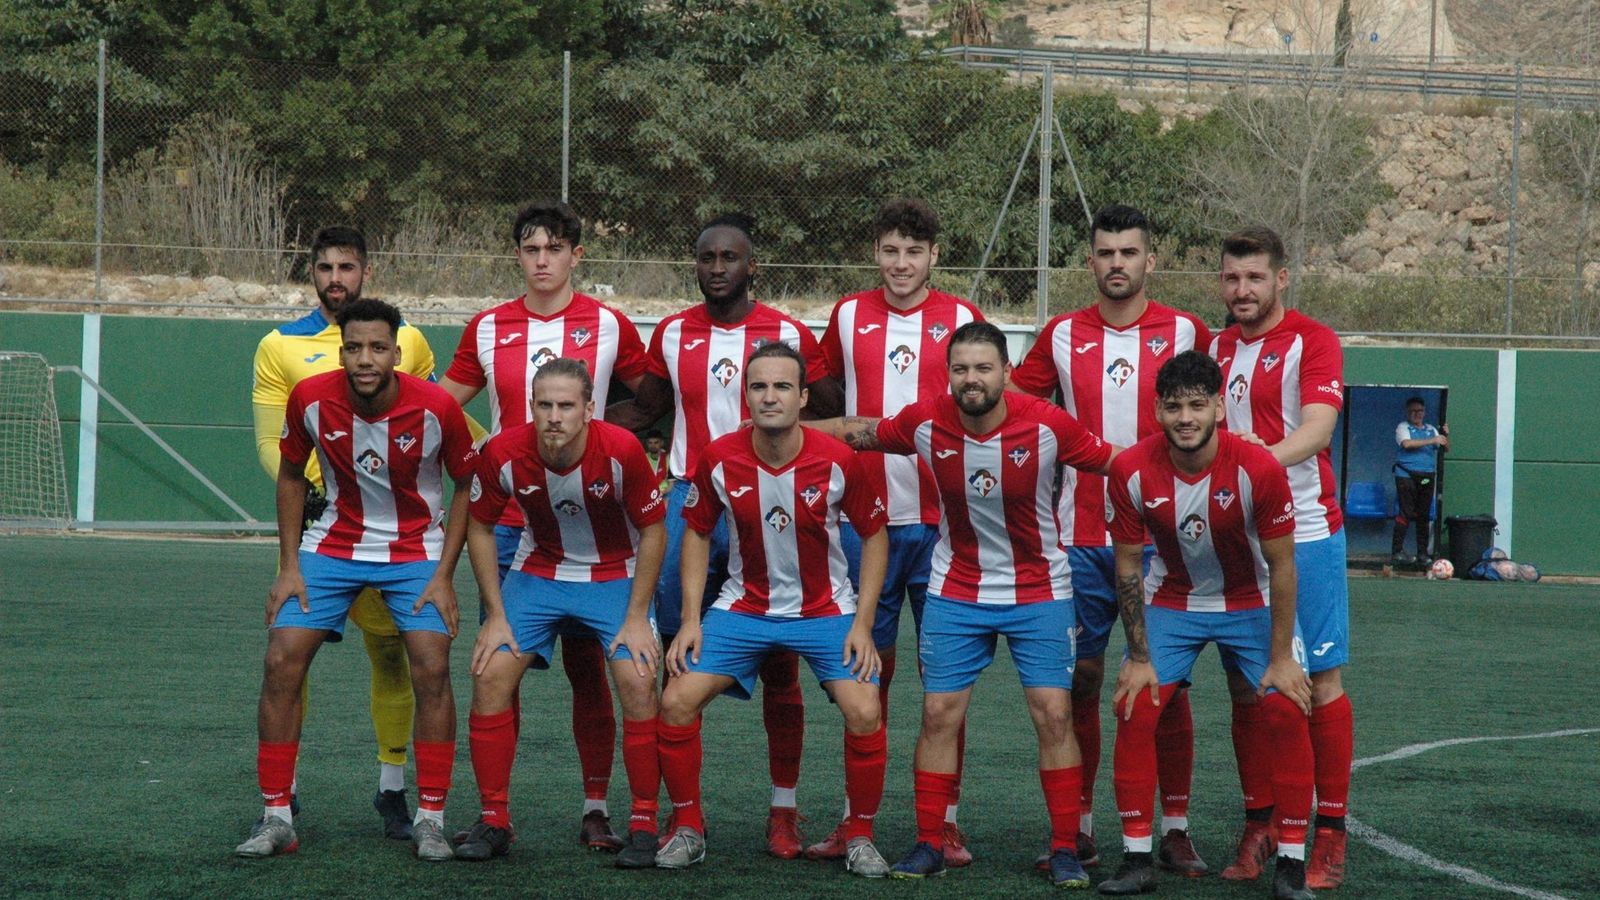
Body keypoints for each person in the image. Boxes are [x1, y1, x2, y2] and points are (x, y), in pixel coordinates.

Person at [817, 321, 1116, 887]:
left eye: (983, 368)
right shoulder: (926, 421)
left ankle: (1064, 848)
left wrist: (1201, 455)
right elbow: (861, 431)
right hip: (957, 586)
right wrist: (787, 424)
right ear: (948, 374)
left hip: (1039, 588)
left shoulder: (1048, 424)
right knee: (938, 713)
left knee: (1054, 714)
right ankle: (930, 842)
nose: (971, 379)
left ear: (1006, 372)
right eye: (960, 369)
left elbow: (1116, 461)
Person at [610, 212, 842, 857]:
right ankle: (681, 814)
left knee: (781, 661)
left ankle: (784, 811)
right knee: (672, 657)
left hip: (769, 502)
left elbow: (827, 407)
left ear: (752, 266)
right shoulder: (672, 332)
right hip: (690, 499)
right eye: (706, 257)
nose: (717, 268)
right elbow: (648, 409)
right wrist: (575, 424)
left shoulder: (788, 333)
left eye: (729, 258)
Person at [440, 201, 651, 850]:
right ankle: (495, 815)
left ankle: (597, 809)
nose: (542, 261)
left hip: (596, 526)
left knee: (590, 669)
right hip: (511, 522)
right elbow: (440, 405)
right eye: (530, 249)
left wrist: (620, 446)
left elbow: (653, 398)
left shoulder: (610, 325)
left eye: (554, 249)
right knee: (499, 663)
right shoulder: (487, 326)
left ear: (575, 256)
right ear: (517, 256)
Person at [235, 299, 476, 862]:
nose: (365, 359)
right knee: (280, 659)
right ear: (340, 351)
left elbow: (468, 484)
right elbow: (291, 476)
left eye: (378, 348)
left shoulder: (437, 407)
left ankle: (431, 819)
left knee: (432, 667)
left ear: (397, 353)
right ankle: (276, 816)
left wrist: (445, 574)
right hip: (333, 544)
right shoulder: (310, 398)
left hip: (416, 548)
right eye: (354, 348)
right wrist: (289, 565)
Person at [1011, 205, 1213, 873]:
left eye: (1129, 252)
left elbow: (1213, 415)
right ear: (1091, 261)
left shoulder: (1186, 330)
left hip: (1165, 539)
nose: (1117, 263)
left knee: (1167, 685)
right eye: (1105, 252)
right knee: (1083, 679)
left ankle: (1175, 827)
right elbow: (1016, 406)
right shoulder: (1061, 334)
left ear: (1150, 260)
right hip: (1079, 538)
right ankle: (1080, 827)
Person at [653, 342, 891, 877]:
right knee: (676, 700)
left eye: (782, 386)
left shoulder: (839, 460)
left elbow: (875, 537)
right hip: (744, 608)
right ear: (746, 395)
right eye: (758, 386)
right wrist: (690, 619)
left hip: (824, 609)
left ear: (803, 397)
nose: (769, 396)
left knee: (864, 710)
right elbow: (696, 533)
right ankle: (688, 826)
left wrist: (863, 623)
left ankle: (860, 834)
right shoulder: (719, 456)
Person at [1097, 350, 1315, 900]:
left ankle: (1291, 863)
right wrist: (1139, 657)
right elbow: (1128, 567)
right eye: (1174, 407)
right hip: (1173, 600)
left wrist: (1281, 658)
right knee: (1133, 703)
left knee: (1286, 706)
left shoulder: (1258, 468)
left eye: (1197, 405)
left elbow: (1283, 565)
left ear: (1220, 407)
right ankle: (1137, 858)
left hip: (1251, 600)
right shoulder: (1130, 470)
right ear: (1157, 411)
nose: (1186, 418)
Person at [806, 198, 984, 866]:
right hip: (867, 525)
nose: (901, 263)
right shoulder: (848, 315)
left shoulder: (962, 318)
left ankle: (945, 824)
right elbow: (826, 393)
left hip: (943, 526)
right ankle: (857, 821)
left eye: (914, 251)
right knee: (865, 679)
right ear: (875, 253)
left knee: (945, 685)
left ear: (934, 255)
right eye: (890, 250)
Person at [249, 225, 438, 840]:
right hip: (321, 528)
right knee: (289, 659)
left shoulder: (408, 338)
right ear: (311, 272)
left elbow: (428, 426)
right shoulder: (279, 345)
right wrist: (332, 484)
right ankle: (283, 798)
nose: (336, 278)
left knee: (393, 656)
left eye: (347, 267)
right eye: (325, 267)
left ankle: (392, 788)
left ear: (366, 272)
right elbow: (272, 444)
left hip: (396, 534)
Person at [455, 359, 668, 868]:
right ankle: (494, 819)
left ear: (589, 409)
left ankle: (643, 822)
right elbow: (479, 527)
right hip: (540, 571)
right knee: (489, 672)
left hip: (615, 572)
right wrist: (495, 614)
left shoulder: (622, 450)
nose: (554, 416)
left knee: (638, 680)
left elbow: (654, 531)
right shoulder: (503, 452)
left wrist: (637, 617)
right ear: (531, 406)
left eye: (566, 406)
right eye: (544, 405)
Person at [1211, 227, 1353, 890]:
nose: (1242, 290)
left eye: (1255, 277)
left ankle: (1330, 835)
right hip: (1234, 537)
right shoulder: (1212, 347)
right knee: (1249, 686)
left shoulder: (1312, 341)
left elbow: (1318, 430)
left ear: (1281, 278)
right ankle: (1261, 824)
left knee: (1319, 683)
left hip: (1306, 533)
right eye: (1232, 278)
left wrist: (1254, 461)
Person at [1392, 396, 1447, 567]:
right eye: (1413, 411)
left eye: (1420, 411)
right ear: (1407, 412)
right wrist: (1432, 440)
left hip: (1426, 477)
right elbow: (1407, 444)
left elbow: (1445, 447)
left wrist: (1445, 435)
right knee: (1406, 512)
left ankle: (1423, 553)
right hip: (1406, 475)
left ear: (1425, 412)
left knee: (1423, 514)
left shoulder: (1431, 429)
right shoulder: (1403, 427)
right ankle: (1397, 552)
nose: (1417, 414)